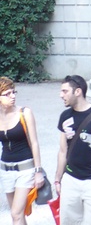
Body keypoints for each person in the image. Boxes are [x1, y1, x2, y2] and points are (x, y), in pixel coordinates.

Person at [54, 75, 91, 225]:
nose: (61, 95)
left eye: (65, 91)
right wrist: (58, 179)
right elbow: (63, 151)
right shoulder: (65, 116)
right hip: (70, 179)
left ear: (78, 91)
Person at [0, 77, 45, 225]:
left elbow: (34, 143)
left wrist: (38, 171)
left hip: (25, 169)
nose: (12, 96)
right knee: (18, 216)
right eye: (7, 94)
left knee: (16, 214)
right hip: (6, 170)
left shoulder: (24, 113)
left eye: (13, 92)